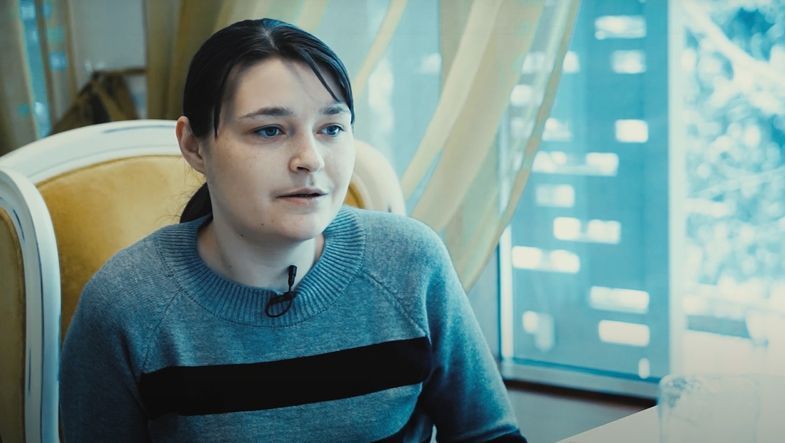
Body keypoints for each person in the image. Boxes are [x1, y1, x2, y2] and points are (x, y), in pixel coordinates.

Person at [60, 18, 526, 442]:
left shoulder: (410, 263)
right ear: (194, 146)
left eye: (331, 128)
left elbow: (490, 436)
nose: (311, 159)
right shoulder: (126, 305)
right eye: (269, 130)